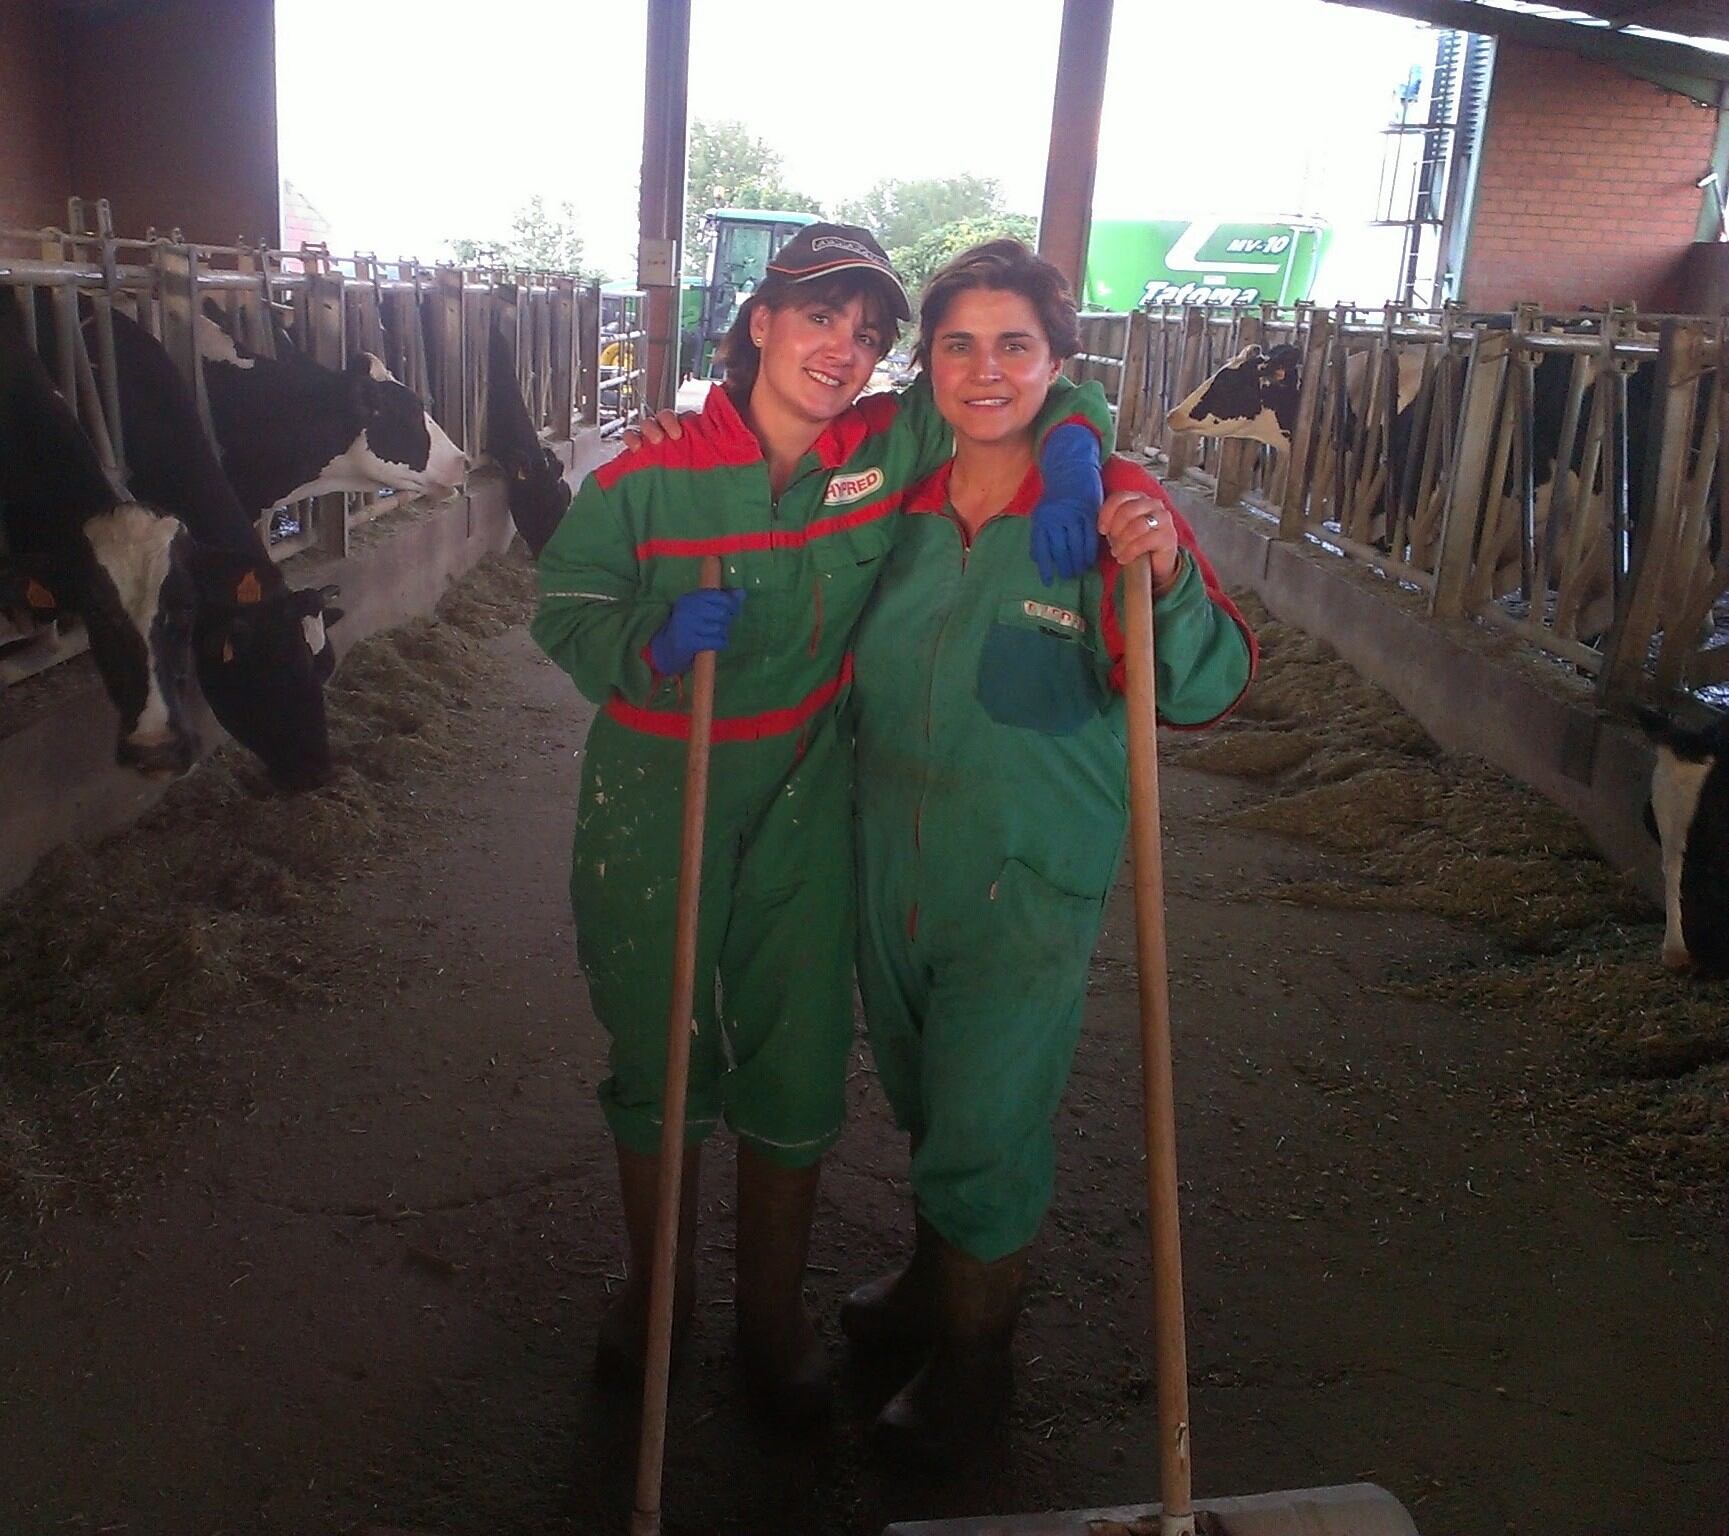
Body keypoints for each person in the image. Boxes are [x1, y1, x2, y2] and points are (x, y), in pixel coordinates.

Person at [530, 223, 1115, 1426]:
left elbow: (1027, 382)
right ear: (760, 322)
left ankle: (770, 1317)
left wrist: (1078, 457)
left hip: (804, 785)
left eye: (867, 330)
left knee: (795, 1055)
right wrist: (642, 645)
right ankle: (656, 1300)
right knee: (660, 1048)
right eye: (818, 318)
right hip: (658, 787)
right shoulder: (644, 475)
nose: (844, 349)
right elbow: (566, 604)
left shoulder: (881, 449)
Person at [839, 239, 1256, 1468]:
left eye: (1013, 344)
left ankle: (976, 1372)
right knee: (924, 1095)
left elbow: (1208, 682)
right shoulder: (895, 488)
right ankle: (931, 1285)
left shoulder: (1110, 500)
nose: (983, 371)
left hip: (1024, 876)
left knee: (986, 1122)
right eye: (956, 344)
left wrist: (1165, 572)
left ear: (1056, 360)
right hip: (890, 855)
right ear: (927, 363)